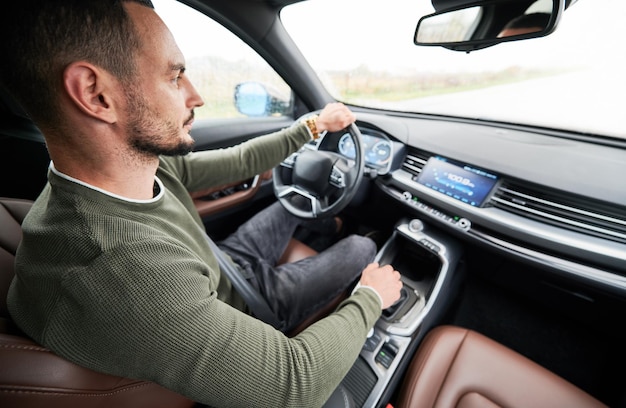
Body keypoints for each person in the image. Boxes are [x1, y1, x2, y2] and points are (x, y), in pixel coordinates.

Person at [0, 0, 403, 407]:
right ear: (96, 94)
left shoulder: (124, 174)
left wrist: (313, 125)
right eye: (174, 77)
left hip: (223, 264)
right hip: (250, 306)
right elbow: (293, 385)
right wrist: (369, 298)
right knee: (363, 248)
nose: (195, 96)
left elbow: (241, 161)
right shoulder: (125, 272)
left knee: (286, 207)